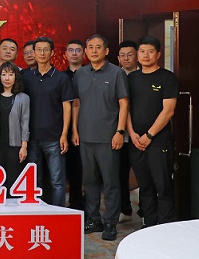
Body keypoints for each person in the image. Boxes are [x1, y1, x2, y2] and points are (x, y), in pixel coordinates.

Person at [72, 34, 128, 241]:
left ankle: (110, 222)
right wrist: (74, 130)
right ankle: (93, 218)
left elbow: (124, 104)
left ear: (106, 51)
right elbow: (76, 104)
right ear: (86, 51)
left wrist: (119, 132)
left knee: (110, 181)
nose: (94, 51)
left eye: (98, 47)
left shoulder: (116, 73)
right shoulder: (80, 74)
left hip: (108, 137)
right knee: (89, 181)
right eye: (90, 47)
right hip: (85, 136)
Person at [127, 36, 178, 227]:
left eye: (150, 51)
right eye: (142, 51)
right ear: (137, 55)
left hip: (158, 141)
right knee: (145, 186)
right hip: (136, 141)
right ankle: (148, 224)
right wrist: (131, 133)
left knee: (163, 185)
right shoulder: (131, 78)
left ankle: (165, 225)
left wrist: (149, 135)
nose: (145, 55)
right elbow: (125, 108)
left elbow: (168, 111)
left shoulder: (167, 78)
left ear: (158, 54)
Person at [22, 37, 73, 207]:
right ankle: (36, 213)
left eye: (45, 50)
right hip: (32, 138)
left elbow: (67, 107)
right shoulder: (26, 77)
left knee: (57, 181)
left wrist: (64, 134)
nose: (42, 53)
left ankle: (58, 214)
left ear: (52, 53)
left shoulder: (61, 78)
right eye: (38, 50)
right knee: (34, 181)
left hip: (54, 137)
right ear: (34, 53)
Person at [0, 61, 29, 187]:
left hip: (15, 147)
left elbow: (25, 123)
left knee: (13, 182)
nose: (7, 78)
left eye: (11, 74)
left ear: (16, 77)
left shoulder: (23, 98)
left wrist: (24, 146)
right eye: (4, 74)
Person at [117, 39, 139, 222]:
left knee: (143, 174)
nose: (126, 58)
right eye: (122, 55)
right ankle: (124, 207)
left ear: (136, 56)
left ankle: (146, 211)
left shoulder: (143, 76)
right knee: (120, 173)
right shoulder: (116, 76)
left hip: (142, 134)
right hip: (121, 135)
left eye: (130, 54)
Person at [64, 39, 86, 212]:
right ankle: (73, 203)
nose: (74, 53)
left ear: (83, 54)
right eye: (70, 50)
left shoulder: (89, 74)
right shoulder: (60, 76)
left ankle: (86, 206)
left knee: (86, 170)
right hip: (65, 129)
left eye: (78, 50)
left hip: (87, 127)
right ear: (65, 54)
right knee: (71, 168)